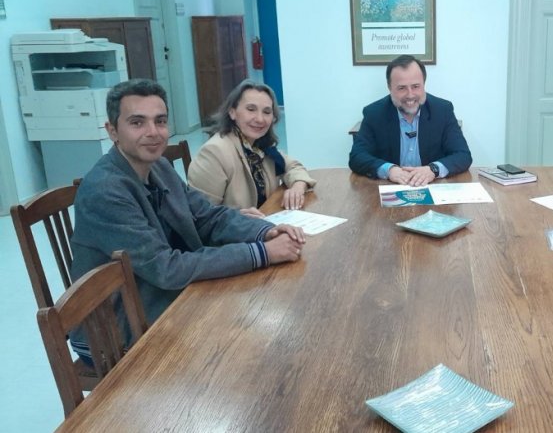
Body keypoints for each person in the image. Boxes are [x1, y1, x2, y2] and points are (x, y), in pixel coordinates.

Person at [70, 79, 306, 362]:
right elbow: (166, 269)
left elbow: (207, 216)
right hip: (115, 329)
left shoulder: (159, 166)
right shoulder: (106, 191)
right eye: (137, 122)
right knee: (250, 344)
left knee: (270, 313)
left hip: (157, 295)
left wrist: (265, 232)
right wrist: (262, 253)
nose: (153, 132)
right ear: (112, 131)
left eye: (160, 121)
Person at [189, 80, 316, 217]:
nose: (260, 119)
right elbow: (200, 215)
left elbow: (293, 167)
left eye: (267, 112)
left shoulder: (259, 145)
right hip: (237, 230)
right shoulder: (214, 152)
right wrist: (237, 217)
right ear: (232, 112)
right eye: (251, 109)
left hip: (266, 222)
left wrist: (298, 186)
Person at [349, 54, 472, 186]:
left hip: (432, 186)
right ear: (390, 88)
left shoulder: (442, 110)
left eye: (415, 86)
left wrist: (433, 169)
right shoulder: (374, 113)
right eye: (402, 88)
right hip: (391, 187)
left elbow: (463, 155)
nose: (410, 95)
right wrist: (389, 170)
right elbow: (357, 157)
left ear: (423, 84)